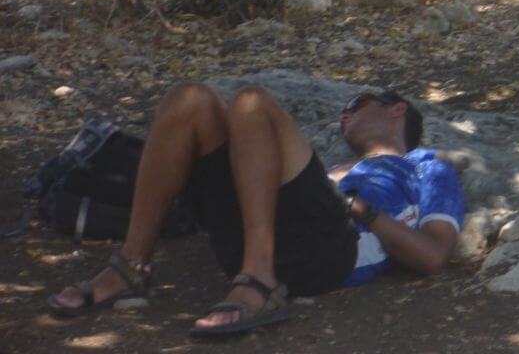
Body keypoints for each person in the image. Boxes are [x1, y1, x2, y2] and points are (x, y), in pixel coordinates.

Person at [46, 83, 464, 336]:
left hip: (328, 252)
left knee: (251, 102)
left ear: (397, 110)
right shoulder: (336, 168)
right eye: (343, 111)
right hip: (247, 239)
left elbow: (432, 256)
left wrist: (361, 208)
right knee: (187, 99)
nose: (345, 114)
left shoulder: (426, 167)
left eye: (357, 102)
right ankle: (129, 266)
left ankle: (259, 280)